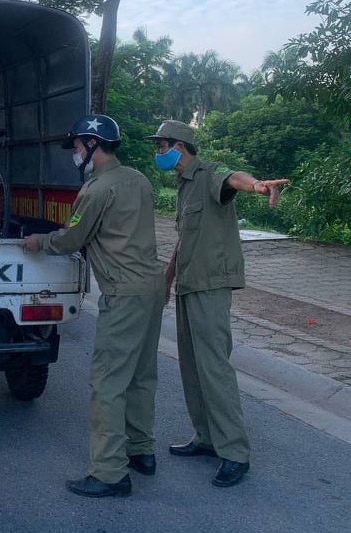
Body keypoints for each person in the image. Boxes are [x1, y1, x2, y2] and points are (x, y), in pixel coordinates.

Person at [21, 115, 166, 498]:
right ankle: (140, 450)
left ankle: (109, 473)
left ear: (91, 144)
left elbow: (72, 239)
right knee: (140, 375)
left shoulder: (96, 189)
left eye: (76, 146)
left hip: (125, 292)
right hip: (152, 287)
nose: (74, 153)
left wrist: (40, 241)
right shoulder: (139, 179)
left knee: (107, 383)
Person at [145, 120, 288, 487]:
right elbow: (184, 238)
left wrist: (257, 185)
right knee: (192, 366)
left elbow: (233, 178)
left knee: (214, 368)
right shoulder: (184, 186)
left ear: (180, 146)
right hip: (190, 283)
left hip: (211, 284)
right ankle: (207, 438)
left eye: (162, 147)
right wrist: (168, 276)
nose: (158, 154)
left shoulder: (208, 173)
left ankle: (234, 452)